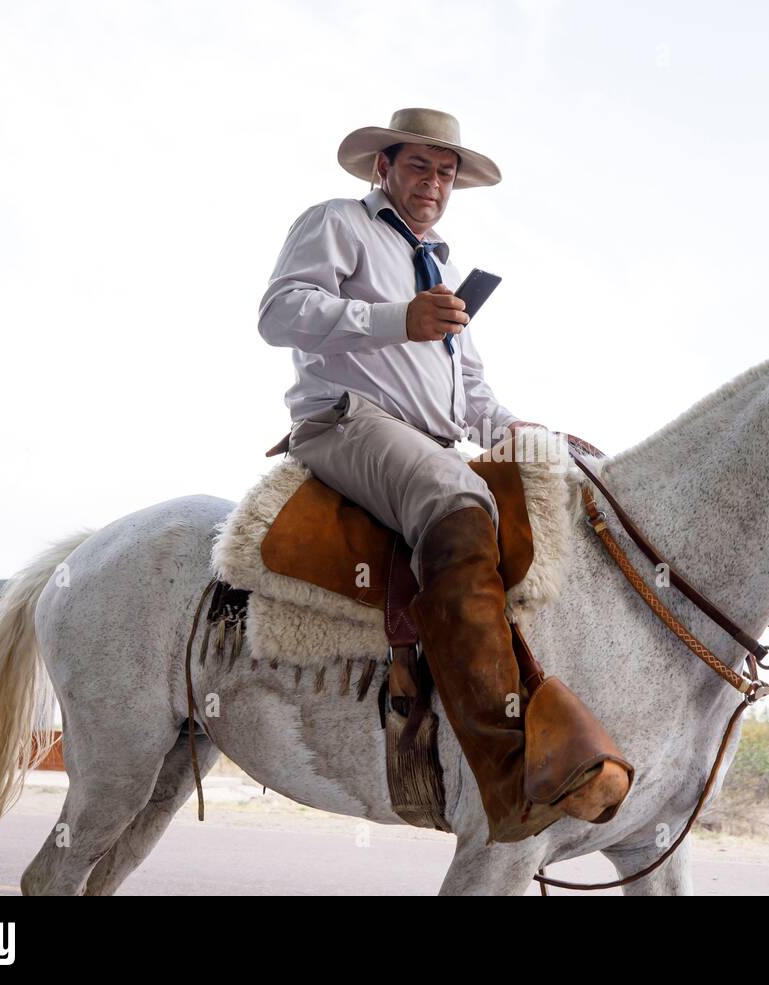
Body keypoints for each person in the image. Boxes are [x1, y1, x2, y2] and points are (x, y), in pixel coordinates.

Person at [256, 108, 630, 844]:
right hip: (345, 421)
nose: (434, 183)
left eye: (447, 173)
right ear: (382, 169)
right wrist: (398, 319)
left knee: (536, 493)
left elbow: (473, 394)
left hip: (426, 437)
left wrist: (529, 436)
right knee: (461, 498)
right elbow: (278, 313)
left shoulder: (445, 270)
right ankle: (505, 770)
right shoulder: (338, 222)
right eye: (420, 167)